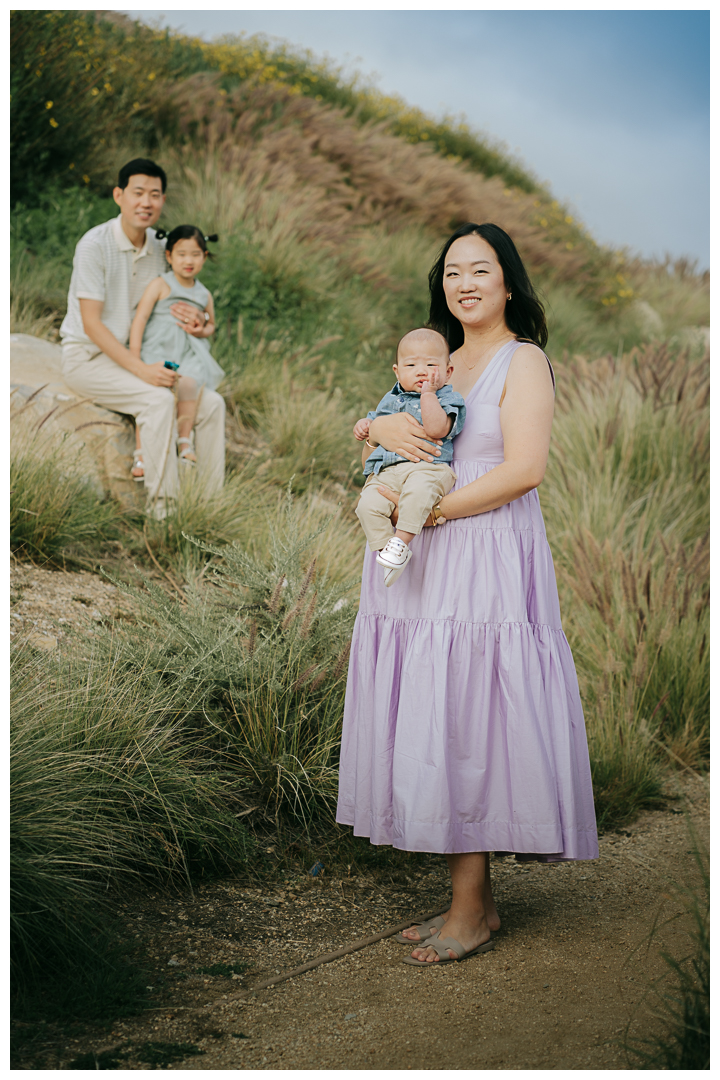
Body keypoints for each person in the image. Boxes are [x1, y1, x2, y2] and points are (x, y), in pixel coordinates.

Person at [337, 222, 599, 966]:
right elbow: (386, 438)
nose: (464, 283)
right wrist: (380, 425)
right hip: (419, 559)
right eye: (452, 271)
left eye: (480, 269)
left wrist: (431, 518)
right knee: (434, 711)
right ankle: (472, 900)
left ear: (507, 281)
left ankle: (467, 909)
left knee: (469, 715)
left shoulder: (524, 361)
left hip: (479, 554)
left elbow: (524, 469)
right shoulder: (436, 356)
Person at [59, 158, 226, 517]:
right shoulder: (95, 244)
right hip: (89, 358)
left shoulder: (163, 245)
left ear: (163, 200)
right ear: (119, 195)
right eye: (137, 193)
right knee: (157, 400)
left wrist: (203, 319)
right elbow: (91, 324)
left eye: (154, 194)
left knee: (213, 404)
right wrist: (141, 370)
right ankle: (162, 510)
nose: (146, 202)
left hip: (146, 354)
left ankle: (208, 508)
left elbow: (186, 291)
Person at [352, 328, 465, 586]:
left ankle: (401, 541)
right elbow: (376, 422)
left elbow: (437, 429)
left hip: (429, 468)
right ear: (397, 371)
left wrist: (428, 395)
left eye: (431, 365)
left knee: (418, 494)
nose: (421, 371)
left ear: (447, 372)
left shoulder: (448, 397)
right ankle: (387, 552)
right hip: (390, 471)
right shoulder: (391, 398)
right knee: (367, 505)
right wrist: (366, 427)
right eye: (411, 365)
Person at [128, 225, 225, 477]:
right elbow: (141, 317)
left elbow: (211, 325)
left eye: (195, 254)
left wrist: (200, 330)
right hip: (162, 351)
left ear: (204, 256)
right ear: (169, 256)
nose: (188, 261)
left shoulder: (204, 294)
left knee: (189, 384)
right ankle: (141, 453)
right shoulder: (161, 284)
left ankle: (184, 440)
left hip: (188, 354)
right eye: (181, 254)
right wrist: (135, 354)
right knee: (160, 391)